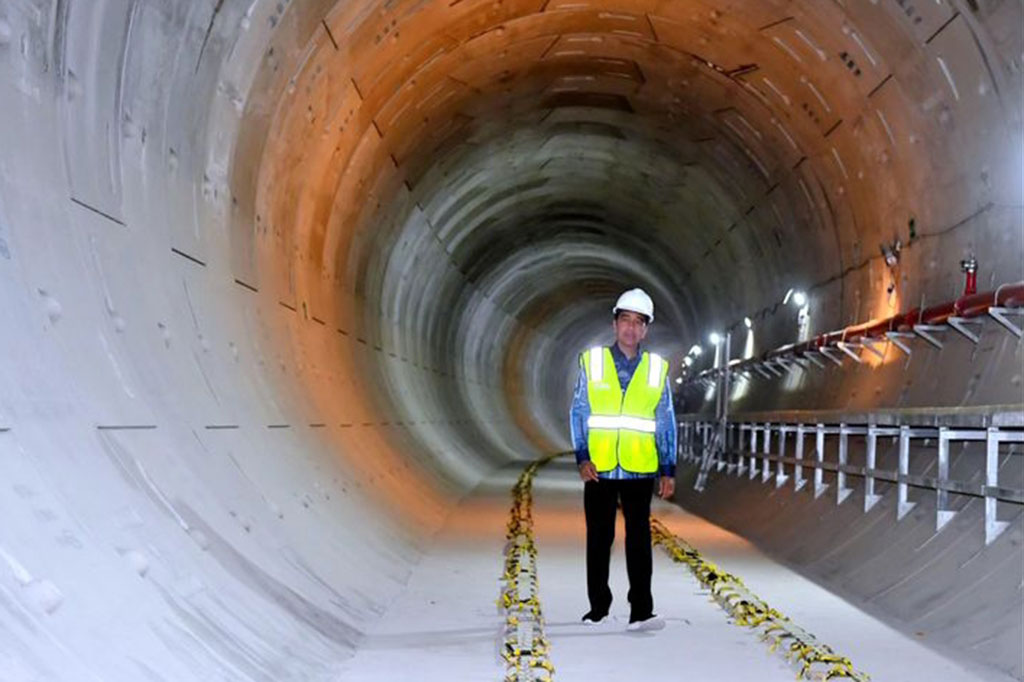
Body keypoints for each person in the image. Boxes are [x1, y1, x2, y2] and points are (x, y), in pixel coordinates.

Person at [569, 287, 678, 631]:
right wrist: (582, 457)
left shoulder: (656, 369)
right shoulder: (593, 362)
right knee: (599, 539)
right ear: (615, 324)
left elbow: (665, 420)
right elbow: (579, 411)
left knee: (639, 541)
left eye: (638, 322)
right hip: (599, 466)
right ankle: (598, 608)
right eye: (625, 320)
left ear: (645, 330)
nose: (631, 328)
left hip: (639, 467)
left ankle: (641, 610)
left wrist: (668, 468)